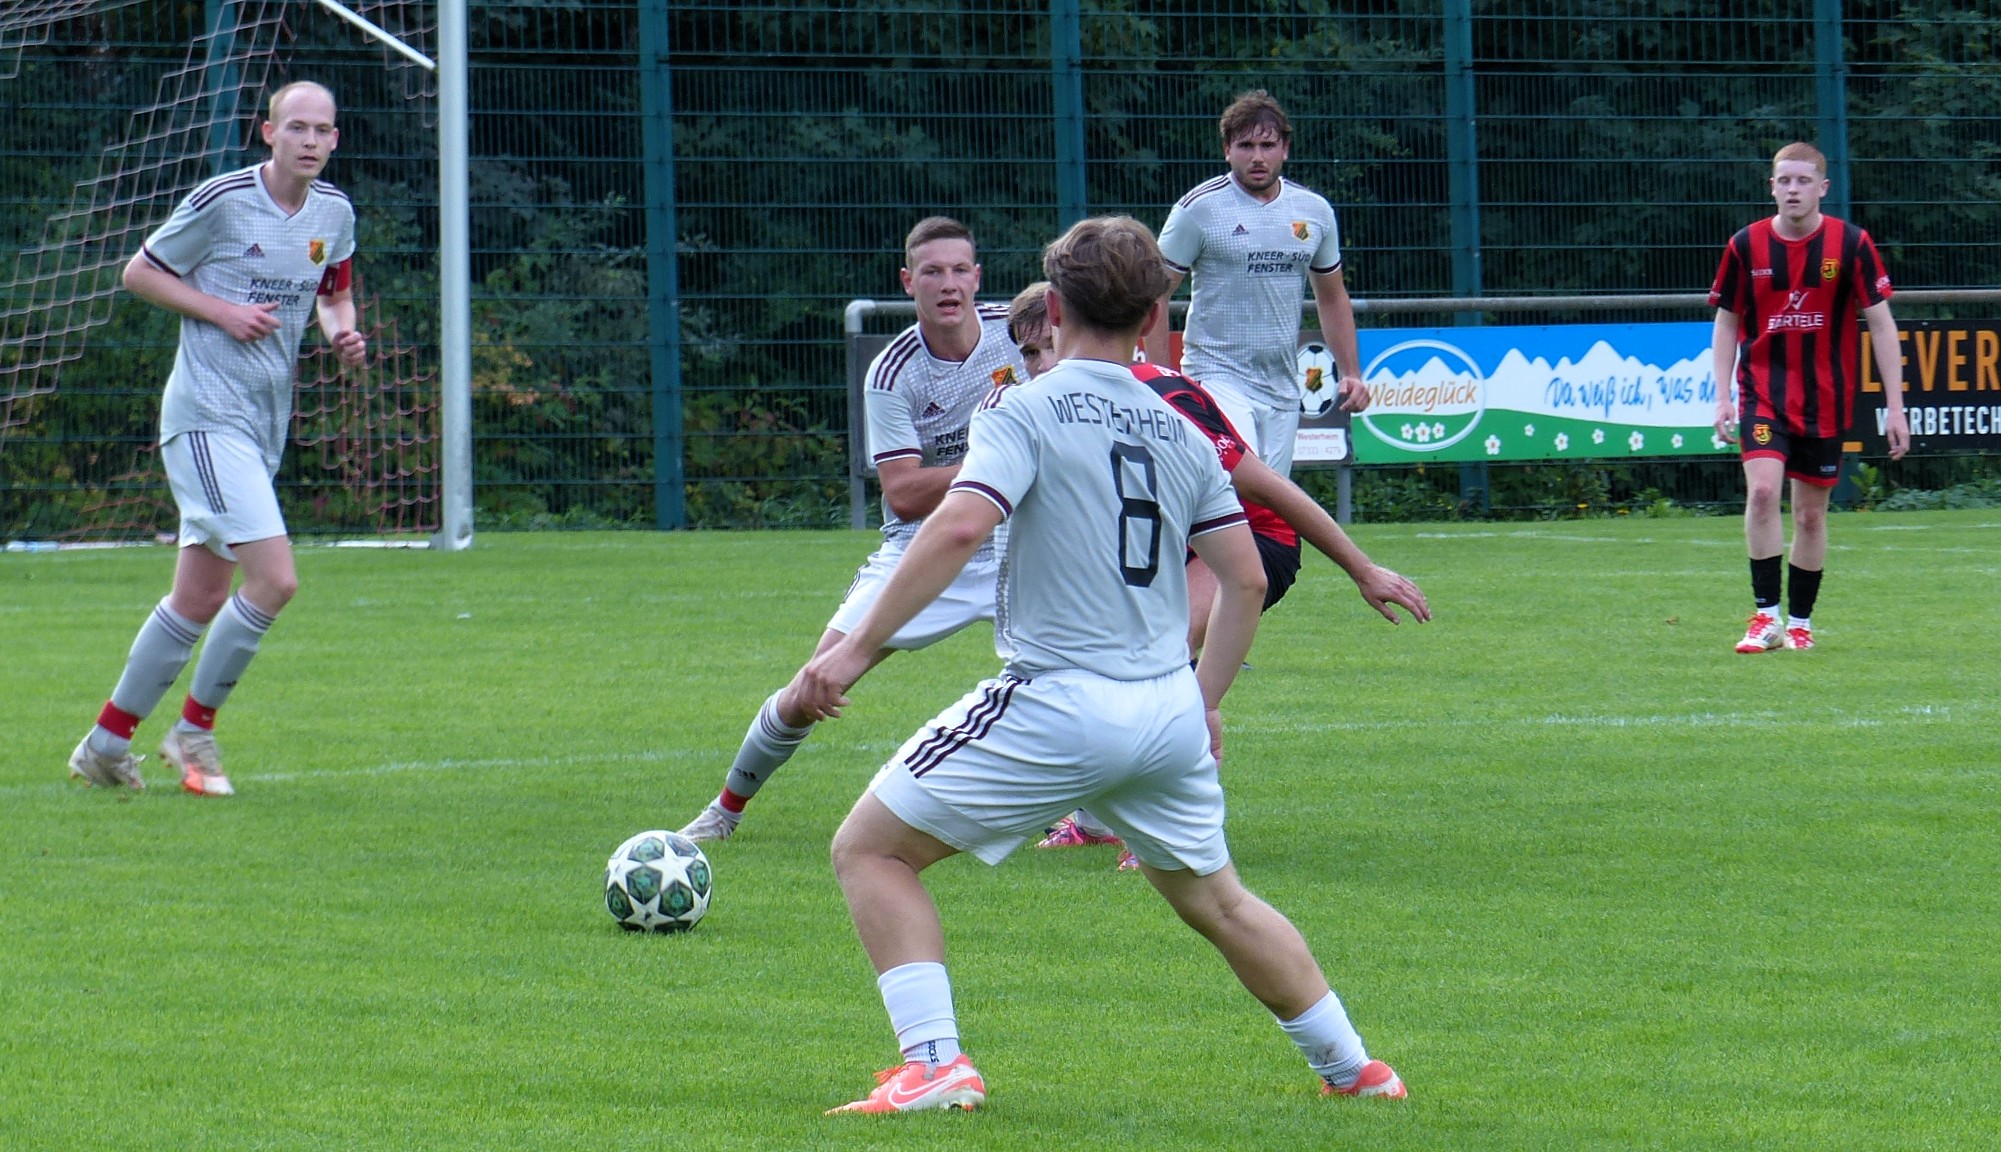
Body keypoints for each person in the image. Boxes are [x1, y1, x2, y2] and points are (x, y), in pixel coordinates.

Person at [793, 215, 1405, 1114]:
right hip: (1162, 711)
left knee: (869, 851)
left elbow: (958, 527)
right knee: (1220, 903)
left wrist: (850, 651)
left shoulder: (1021, 408)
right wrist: (1202, 701)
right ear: (1156, 313)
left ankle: (933, 1063)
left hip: (1058, 700)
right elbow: (1243, 579)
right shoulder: (1181, 425)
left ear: (1051, 308)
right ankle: (1357, 1069)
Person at [1010, 281, 1430, 860]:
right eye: (1027, 353)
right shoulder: (1046, 411)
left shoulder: (1160, 398)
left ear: (1077, 330)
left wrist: (1362, 569)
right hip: (1171, 547)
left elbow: (1268, 487)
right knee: (1095, 659)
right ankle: (1097, 821)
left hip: (1253, 539)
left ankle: (1174, 826)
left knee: (1163, 646)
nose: (1038, 365)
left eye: (1046, 346)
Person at [678, 217, 1026, 842]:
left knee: (1081, 664)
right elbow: (904, 493)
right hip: (923, 547)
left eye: (959, 270)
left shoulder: (1021, 330)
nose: (948, 284)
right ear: (908, 282)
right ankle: (725, 811)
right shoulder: (892, 373)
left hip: (1017, 539)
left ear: (978, 277)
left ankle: (1092, 823)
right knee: (816, 681)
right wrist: (1002, 458)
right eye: (932, 272)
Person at [66, 81, 364, 796]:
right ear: (269, 132)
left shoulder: (334, 212)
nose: (310, 141)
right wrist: (222, 312)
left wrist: (342, 332)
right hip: (205, 414)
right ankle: (193, 731)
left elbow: (334, 293)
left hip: (263, 422)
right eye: (297, 127)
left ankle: (104, 746)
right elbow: (139, 273)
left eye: (322, 130)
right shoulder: (224, 200)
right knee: (276, 579)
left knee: (199, 596)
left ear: (335, 139)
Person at [1710, 141, 1908, 654]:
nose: (1793, 189)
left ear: (1823, 188)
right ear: (1771, 187)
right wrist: (1722, 397)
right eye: (1784, 180)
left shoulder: (1852, 244)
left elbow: (1882, 325)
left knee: (1810, 516)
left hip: (1825, 400)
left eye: (1803, 181)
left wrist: (1896, 407)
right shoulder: (1745, 245)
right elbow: (1727, 322)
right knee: (1761, 493)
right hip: (1762, 394)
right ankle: (1765, 618)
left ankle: (1799, 623)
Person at [1141, 89, 1369, 479]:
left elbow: (1332, 296)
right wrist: (1163, 381)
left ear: (1285, 149)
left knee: (1268, 504)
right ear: (1227, 150)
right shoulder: (1198, 209)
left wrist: (1351, 372)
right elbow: (1155, 294)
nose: (1258, 157)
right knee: (1241, 485)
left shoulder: (1314, 212)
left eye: (1267, 145)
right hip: (1216, 375)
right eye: (1246, 146)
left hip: (1282, 385)